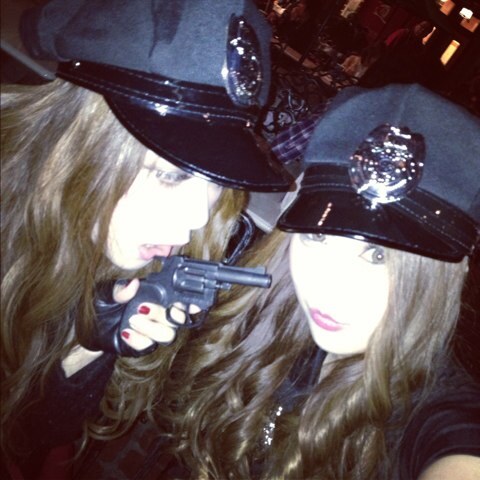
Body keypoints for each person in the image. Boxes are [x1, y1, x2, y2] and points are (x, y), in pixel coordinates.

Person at [0, 1, 292, 478]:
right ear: (73, 147)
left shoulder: (134, 255)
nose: (196, 220)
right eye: (171, 175)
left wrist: (88, 348)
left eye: (216, 181)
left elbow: (30, 433)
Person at [152, 84, 480, 479]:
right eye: (317, 237)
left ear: (451, 270)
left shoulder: (439, 418)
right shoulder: (262, 305)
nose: (329, 288)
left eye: (378, 256)